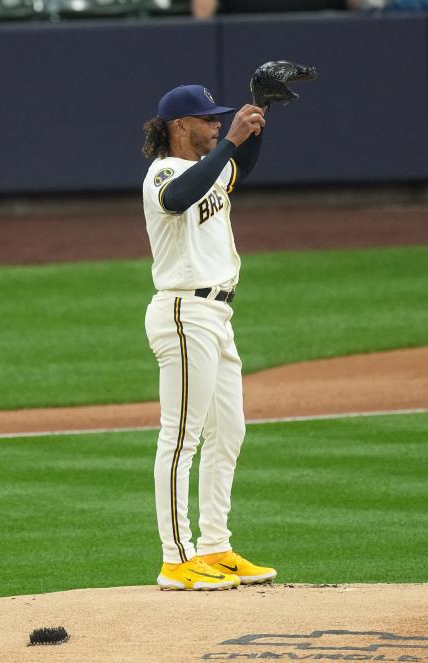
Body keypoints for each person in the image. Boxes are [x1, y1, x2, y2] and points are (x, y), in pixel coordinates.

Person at [141, 84, 277, 591]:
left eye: (221, 119)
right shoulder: (163, 172)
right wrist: (232, 141)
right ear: (180, 127)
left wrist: (262, 108)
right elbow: (179, 197)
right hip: (183, 313)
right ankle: (176, 559)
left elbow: (242, 164)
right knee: (181, 438)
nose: (218, 125)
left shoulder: (212, 166)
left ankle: (215, 546)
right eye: (208, 120)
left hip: (217, 317)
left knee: (230, 431)